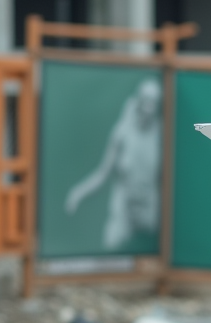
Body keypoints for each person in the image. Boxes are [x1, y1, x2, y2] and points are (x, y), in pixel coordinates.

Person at [65, 78, 162, 250]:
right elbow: (102, 173)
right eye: (146, 100)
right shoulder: (122, 132)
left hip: (148, 207)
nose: (149, 107)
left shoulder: (161, 135)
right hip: (124, 207)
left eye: (153, 102)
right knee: (112, 244)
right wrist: (78, 193)